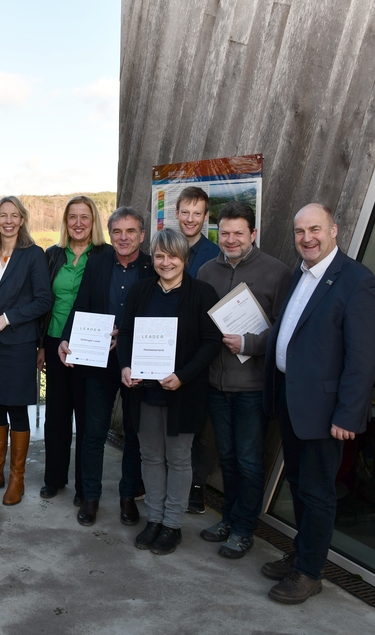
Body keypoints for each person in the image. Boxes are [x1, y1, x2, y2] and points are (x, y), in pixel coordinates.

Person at [262, 203, 375, 604]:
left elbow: (362, 358)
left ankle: (310, 572)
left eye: (315, 229)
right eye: (300, 232)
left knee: (318, 492)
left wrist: (348, 413)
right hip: (293, 401)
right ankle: (302, 553)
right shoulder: (301, 272)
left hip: (324, 410)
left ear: (334, 230)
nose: (306, 238)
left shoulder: (356, 281)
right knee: (297, 484)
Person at [195, 201, 292, 558]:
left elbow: (286, 331)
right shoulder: (206, 271)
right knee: (229, 457)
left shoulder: (277, 273)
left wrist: (249, 343)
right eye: (225, 233)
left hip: (252, 387)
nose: (231, 240)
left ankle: (244, 528)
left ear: (253, 234)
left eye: (239, 233)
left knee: (250, 460)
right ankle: (230, 519)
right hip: (216, 384)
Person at [118, 228, 219, 555]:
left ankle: (172, 524)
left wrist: (183, 376)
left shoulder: (202, 293)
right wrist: (126, 367)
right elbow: (127, 337)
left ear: (184, 258)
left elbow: (211, 343)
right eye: (159, 256)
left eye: (173, 256)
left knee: (177, 459)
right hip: (145, 393)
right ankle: (155, 519)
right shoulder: (140, 291)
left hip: (183, 393)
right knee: (150, 456)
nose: (166, 262)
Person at [58, 207, 154, 524]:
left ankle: (128, 497)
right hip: (96, 362)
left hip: (136, 364)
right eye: (117, 232)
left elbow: (160, 317)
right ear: (110, 234)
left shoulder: (154, 267)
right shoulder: (97, 264)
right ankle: (90, 498)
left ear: (142, 235)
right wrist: (65, 338)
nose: (123, 238)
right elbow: (81, 304)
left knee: (134, 434)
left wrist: (126, 331)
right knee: (93, 433)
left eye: (130, 231)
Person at [0, 196, 53, 505]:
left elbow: (43, 300)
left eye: (14, 215)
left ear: (22, 220)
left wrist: (8, 319)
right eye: (2, 215)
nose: (8, 221)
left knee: (17, 410)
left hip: (18, 344)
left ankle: (16, 478)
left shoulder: (33, 254)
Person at [39, 196, 109, 503]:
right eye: (72, 217)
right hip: (56, 343)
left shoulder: (105, 256)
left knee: (87, 416)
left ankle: (85, 487)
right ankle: (54, 478)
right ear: (65, 222)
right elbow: (44, 302)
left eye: (85, 217)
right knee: (56, 414)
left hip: (92, 343)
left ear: (94, 221)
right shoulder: (52, 255)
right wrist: (42, 345)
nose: (78, 223)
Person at [175, 185, 219, 514]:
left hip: (198, 347)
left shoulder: (215, 256)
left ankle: (195, 485)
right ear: (177, 214)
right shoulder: (167, 247)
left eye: (197, 214)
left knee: (198, 423)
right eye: (185, 213)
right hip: (163, 347)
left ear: (206, 217)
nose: (191, 219)